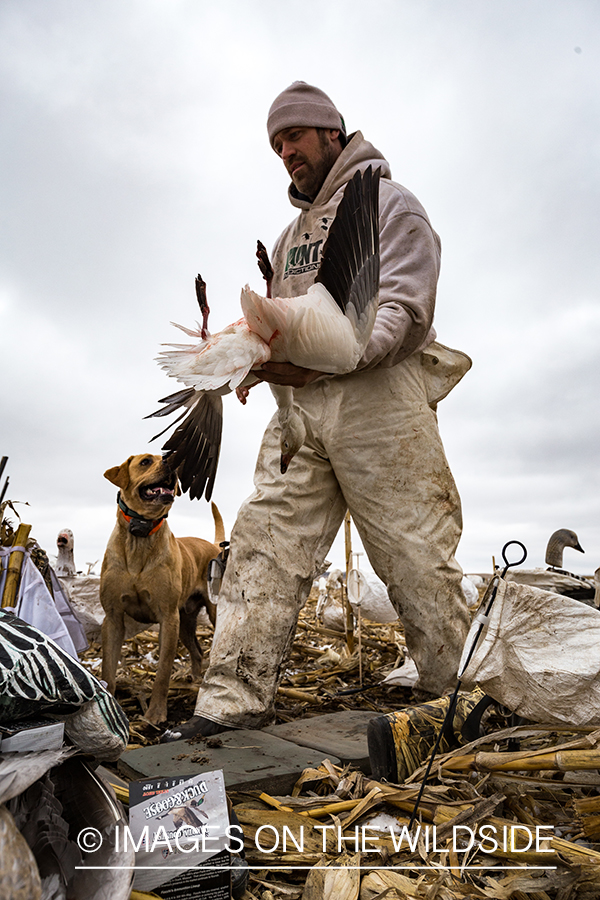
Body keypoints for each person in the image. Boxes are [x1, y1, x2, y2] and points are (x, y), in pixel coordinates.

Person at [161, 81, 472, 742]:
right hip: (300, 413)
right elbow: (283, 320)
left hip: (379, 404)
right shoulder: (288, 238)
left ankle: (458, 699)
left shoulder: (391, 205)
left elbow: (406, 307)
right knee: (262, 547)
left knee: (416, 557)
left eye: (295, 136)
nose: (285, 152)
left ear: (332, 131)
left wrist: (345, 356)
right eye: (277, 144)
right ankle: (229, 706)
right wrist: (251, 362)